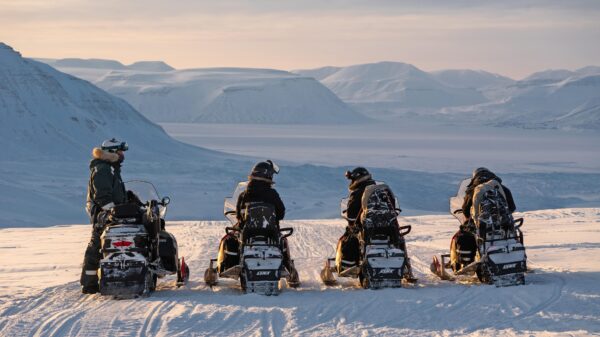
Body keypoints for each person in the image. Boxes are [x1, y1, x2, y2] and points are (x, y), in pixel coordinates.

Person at [338, 167, 415, 279]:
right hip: (389, 227)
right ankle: (406, 268)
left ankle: (348, 266)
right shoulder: (382, 190)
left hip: (368, 228)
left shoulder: (358, 192)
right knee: (399, 239)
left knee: (348, 237)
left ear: (356, 178)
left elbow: (352, 215)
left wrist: (352, 223)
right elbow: (393, 206)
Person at [80, 138, 128, 294]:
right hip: (103, 215)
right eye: (120, 151)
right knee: (97, 245)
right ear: (112, 153)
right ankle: (89, 284)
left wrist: (130, 199)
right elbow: (102, 196)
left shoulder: (111, 169)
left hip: (111, 214)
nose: (122, 155)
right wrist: (112, 212)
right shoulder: (103, 169)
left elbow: (115, 191)